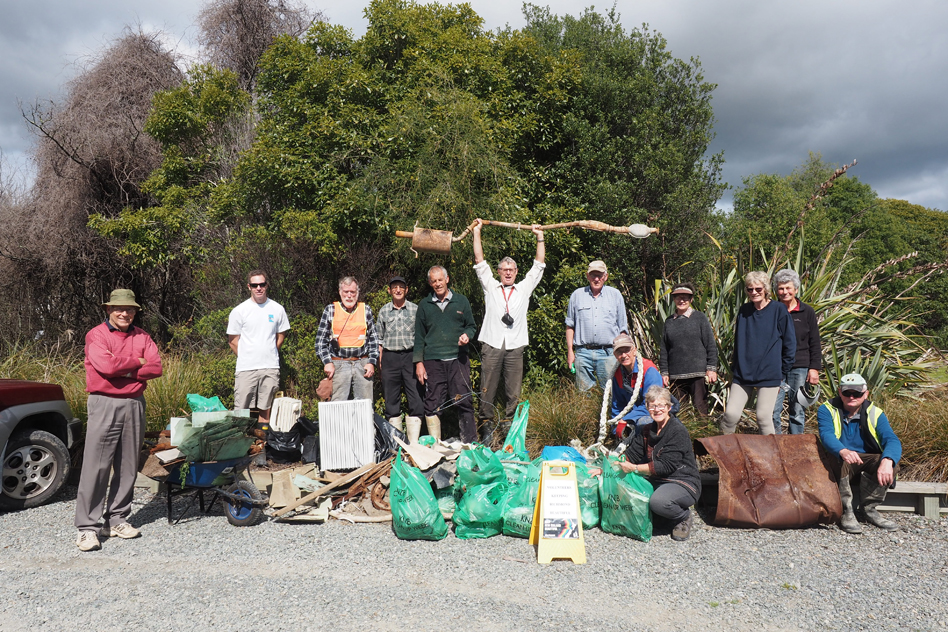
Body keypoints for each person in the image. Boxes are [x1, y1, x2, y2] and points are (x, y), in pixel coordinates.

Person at [75, 289, 163, 552]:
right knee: (97, 465)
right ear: (108, 310)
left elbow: (156, 367)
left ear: (135, 311)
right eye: (119, 309)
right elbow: (106, 367)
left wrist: (122, 368)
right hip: (104, 402)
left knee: (127, 465)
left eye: (130, 309)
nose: (125, 313)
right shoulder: (97, 335)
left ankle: (116, 519)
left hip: (135, 403)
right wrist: (137, 363)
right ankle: (87, 528)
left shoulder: (142, 335)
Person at [593, 386, 701, 541]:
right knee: (632, 496)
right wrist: (606, 469)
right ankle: (662, 518)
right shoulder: (646, 430)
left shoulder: (677, 431)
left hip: (681, 480)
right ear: (647, 408)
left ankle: (682, 517)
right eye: (652, 406)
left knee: (658, 502)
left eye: (661, 405)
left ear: (669, 407)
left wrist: (634, 469)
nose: (656, 410)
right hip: (656, 479)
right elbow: (631, 455)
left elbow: (665, 466)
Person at [472, 218, 545, 445]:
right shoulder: (490, 286)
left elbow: (539, 265)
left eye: (511, 270)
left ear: (516, 272)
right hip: (492, 343)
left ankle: (509, 430)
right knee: (487, 389)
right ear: (499, 271)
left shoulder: (524, 288)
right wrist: (477, 232)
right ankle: (486, 428)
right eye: (504, 269)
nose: (508, 273)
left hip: (515, 345)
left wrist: (539, 236)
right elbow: (479, 259)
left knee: (513, 392)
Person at [817, 373, 901, 533]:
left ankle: (869, 509)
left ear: (866, 394)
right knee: (840, 459)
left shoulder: (875, 413)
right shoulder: (827, 409)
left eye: (857, 393)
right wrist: (842, 450)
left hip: (865, 460)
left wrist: (888, 460)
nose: (852, 396)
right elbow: (826, 435)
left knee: (888, 462)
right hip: (841, 460)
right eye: (847, 392)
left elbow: (892, 440)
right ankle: (846, 511)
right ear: (840, 392)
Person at [719, 271, 796, 435]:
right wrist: (735, 368)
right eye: (750, 289)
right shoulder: (744, 310)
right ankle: (723, 454)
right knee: (731, 415)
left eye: (758, 289)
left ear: (766, 289)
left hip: (769, 373)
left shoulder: (779, 310)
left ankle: (771, 457)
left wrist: (781, 372)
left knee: (763, 417)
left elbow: (790, 343)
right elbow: (739, 341)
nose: (754, 292)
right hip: (743, 373)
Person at [414, 265, 477, 443]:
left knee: (464, 400)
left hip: (458, 359)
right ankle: (436, 446)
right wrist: (419, 362)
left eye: (440, 280)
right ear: (429, 283)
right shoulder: (424, 305)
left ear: (447, 279)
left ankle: (470, 444)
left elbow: (471, 326)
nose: (437, 284)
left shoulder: (461, 301)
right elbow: (419, 336)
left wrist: (467, 336)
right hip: (433, 361)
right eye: (434, 281)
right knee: (432, 403)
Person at [227, 270, 291, 425]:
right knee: (241, 410)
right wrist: (246, 356)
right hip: (246, 368)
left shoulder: (277, 309)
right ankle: (240, 443)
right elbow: (233, 341)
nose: (259, 288)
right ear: (249, 287)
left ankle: (263, 443)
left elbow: (281, 335)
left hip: (270, 367)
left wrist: (270, 351)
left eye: (262, 284)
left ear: (267, 285)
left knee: (266, 408)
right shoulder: (239, 311)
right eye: (255, 285)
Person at [771, 268, 822, 434]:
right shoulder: (771, 311)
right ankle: (774, 445)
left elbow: (814, 341)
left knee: (798, 411)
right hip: (775, 368)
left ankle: (795, 446)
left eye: (788, 288)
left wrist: (814, 369)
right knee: (772, 410)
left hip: (799, 367)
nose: (785, 292)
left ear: (796, 289)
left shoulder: (807, 312)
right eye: (781, 288)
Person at [565, 260, 629, 390]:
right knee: (583, 394)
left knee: (610, 393)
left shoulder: (615, 295)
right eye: (593, 275)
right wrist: (570, 352)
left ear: (606, 276)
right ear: (588, 276)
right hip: (582, 353)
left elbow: (623, 329)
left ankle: (609, 411)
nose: (596, 278)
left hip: (609, 353)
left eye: (599, 275)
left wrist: (622, 353)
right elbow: (570, 326)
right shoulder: (577, 295)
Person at [315, 276, 380, 401]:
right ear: (340, 292)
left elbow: (373, 339)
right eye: (346, 292)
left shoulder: (366, 310)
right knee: (337, 406)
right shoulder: (330, 310)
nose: (349, 296)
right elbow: (320, 342)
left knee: (365, 406)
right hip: (338, 364)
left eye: (352, 292)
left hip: (362, 363)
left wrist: (371, 362)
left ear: (357, 293)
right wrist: (327, 362)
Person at [659, 282, 718, 416]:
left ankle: (704, 435)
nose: (682, 300)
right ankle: (682, 436)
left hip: (697, 373)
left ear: (691, 299)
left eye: (685, 297)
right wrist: (664, 372)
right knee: (679, 411)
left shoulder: (700, 318)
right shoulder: (669, 322)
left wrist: (711, 369)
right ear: (673, 300)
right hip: (676, 375)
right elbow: (664, 349)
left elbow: (710, 345)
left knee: (700, 408)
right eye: (678, 297)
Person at [377, 276, 425, 442]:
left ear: (406, 290)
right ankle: (396, 443)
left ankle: (413, 443)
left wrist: (420, 360)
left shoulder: (415, 309)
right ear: (389, 291)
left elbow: (421, 336)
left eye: (401, 287)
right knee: (391, 400)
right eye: (394, 287)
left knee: (416, 399)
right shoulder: (383, 311)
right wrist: (380, 362)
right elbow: (380, 340)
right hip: (390, 358)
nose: (398, 290)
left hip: (410, 357)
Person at [608, 333, 664, 438]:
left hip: (655, 413)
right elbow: (617, 404)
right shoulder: (617, 374)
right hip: (632, 416)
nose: (624, 355)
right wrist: (615, 430)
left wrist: (625, 419)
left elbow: (652, 404)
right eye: (619, 352)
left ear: (634, 350)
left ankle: (649, 451)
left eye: (627, 350)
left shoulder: (649, 370)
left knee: (644, 422)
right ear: (615, 355)